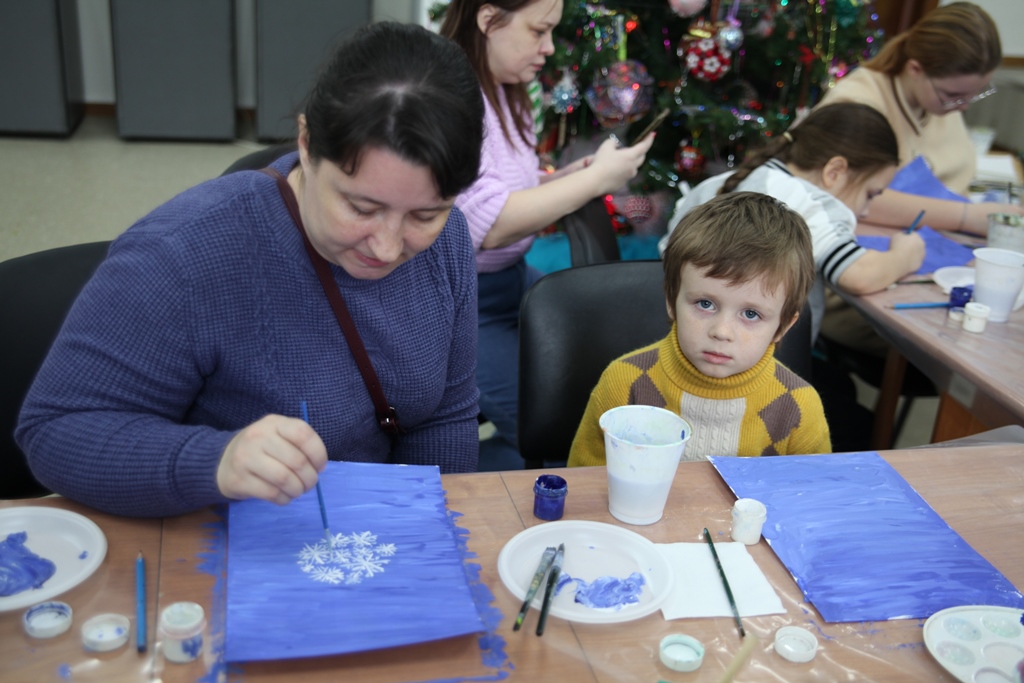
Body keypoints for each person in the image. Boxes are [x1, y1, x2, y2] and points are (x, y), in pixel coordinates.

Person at [16, 22, 485, 518]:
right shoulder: (185, 256)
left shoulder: (446, 240)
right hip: (220, 546)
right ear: (306, 142)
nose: (389, 247)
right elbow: (54, 430)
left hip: (370, 534)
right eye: (362, 208)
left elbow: (446, 414)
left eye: (424, 215)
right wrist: (214, 461)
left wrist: (427, 535)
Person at [440, 0, 655, 469]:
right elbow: (489, 226)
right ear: (488, 19)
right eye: (539, 31)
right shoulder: (453, 97)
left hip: (510, 278)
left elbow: (503, 191)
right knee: (549, 429)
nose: (548, 48)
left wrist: (569, 178)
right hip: (463, 298)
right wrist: (594, 180)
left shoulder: (506, 90)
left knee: (578, 397)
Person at [568, 192, 831, 466]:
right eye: (705, 304)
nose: (722, 331)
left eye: (751, 314)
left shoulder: (798, 408)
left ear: (782, 327)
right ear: (671, 301)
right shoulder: (625, 384)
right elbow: (584, 488)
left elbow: (811, 500)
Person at [660, 103, 924, 342]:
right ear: (835, 171)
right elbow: (859, 275)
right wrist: (906, 254)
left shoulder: (718, 182)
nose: (865, 211)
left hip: (678, 342)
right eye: (870, 194)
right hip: (756, 366)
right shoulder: (812, 202)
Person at [813, 2, 1023, 235]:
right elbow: (846, 193)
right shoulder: (858, 103)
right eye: (953, 96)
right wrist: (964, 217)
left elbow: (958, 174)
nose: (962, 106)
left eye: (974, 94)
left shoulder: (938, 101)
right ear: (915, 69)